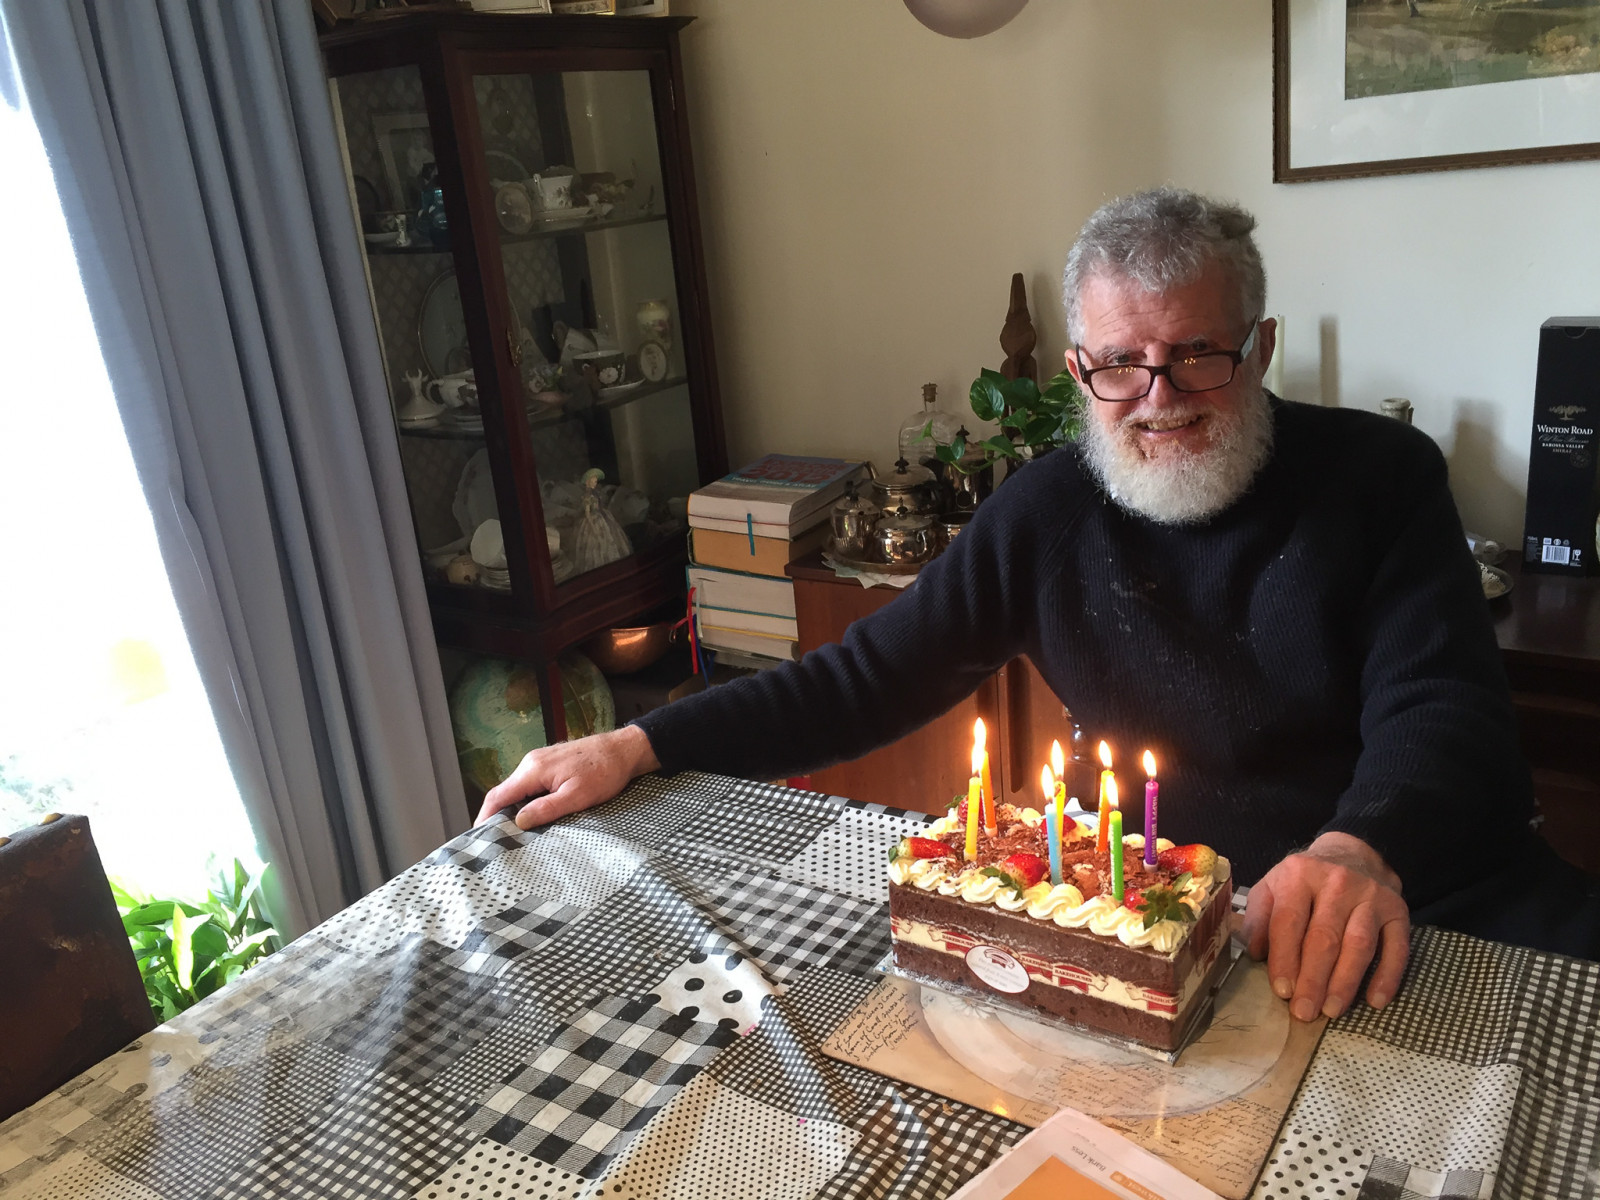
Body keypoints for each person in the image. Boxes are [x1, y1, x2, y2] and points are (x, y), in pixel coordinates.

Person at [479, 187, 1585, 1025]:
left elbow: (1443, 709)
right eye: (1121, 365)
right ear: (1075, 367)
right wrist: (638, 743)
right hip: (1163, 934)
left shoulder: (1383, 476)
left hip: (1412, 888)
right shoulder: (1045, 511)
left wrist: (1359, 847)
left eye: (1197, 358)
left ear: (1260, 348)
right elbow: (863, 678)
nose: (1157, 400)